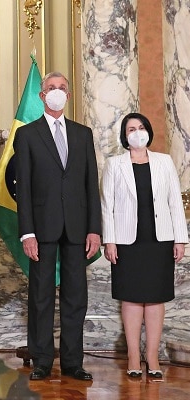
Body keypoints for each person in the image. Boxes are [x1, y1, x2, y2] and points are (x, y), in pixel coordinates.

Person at [14, 72, 101, 381]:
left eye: (62, 88)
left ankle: (72, 362)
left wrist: (94, 229)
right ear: (42, 96)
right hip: (41, 228)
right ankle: (42, 360)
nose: (56, 92)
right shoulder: (27, 135)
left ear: (68, 95)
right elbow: (23, 188)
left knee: (75, 297)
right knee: (41, 296)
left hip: (77, 228)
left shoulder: (83, 134)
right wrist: (27, 232)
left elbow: (91, 184)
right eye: (51, 88)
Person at [101, 112, 188, 379]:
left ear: (148, 131)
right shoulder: (115, 164)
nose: (137, 132)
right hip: (127, 242)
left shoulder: (164, 162)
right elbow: (106, 205)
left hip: (159, 240)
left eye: (140, 127)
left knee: (155, 298)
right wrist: (109, 240)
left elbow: (175, 201)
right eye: (131, 129)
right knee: (131, 298)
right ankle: (133, 356)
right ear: (124, 135)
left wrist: (180, 238)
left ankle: (152, 356)